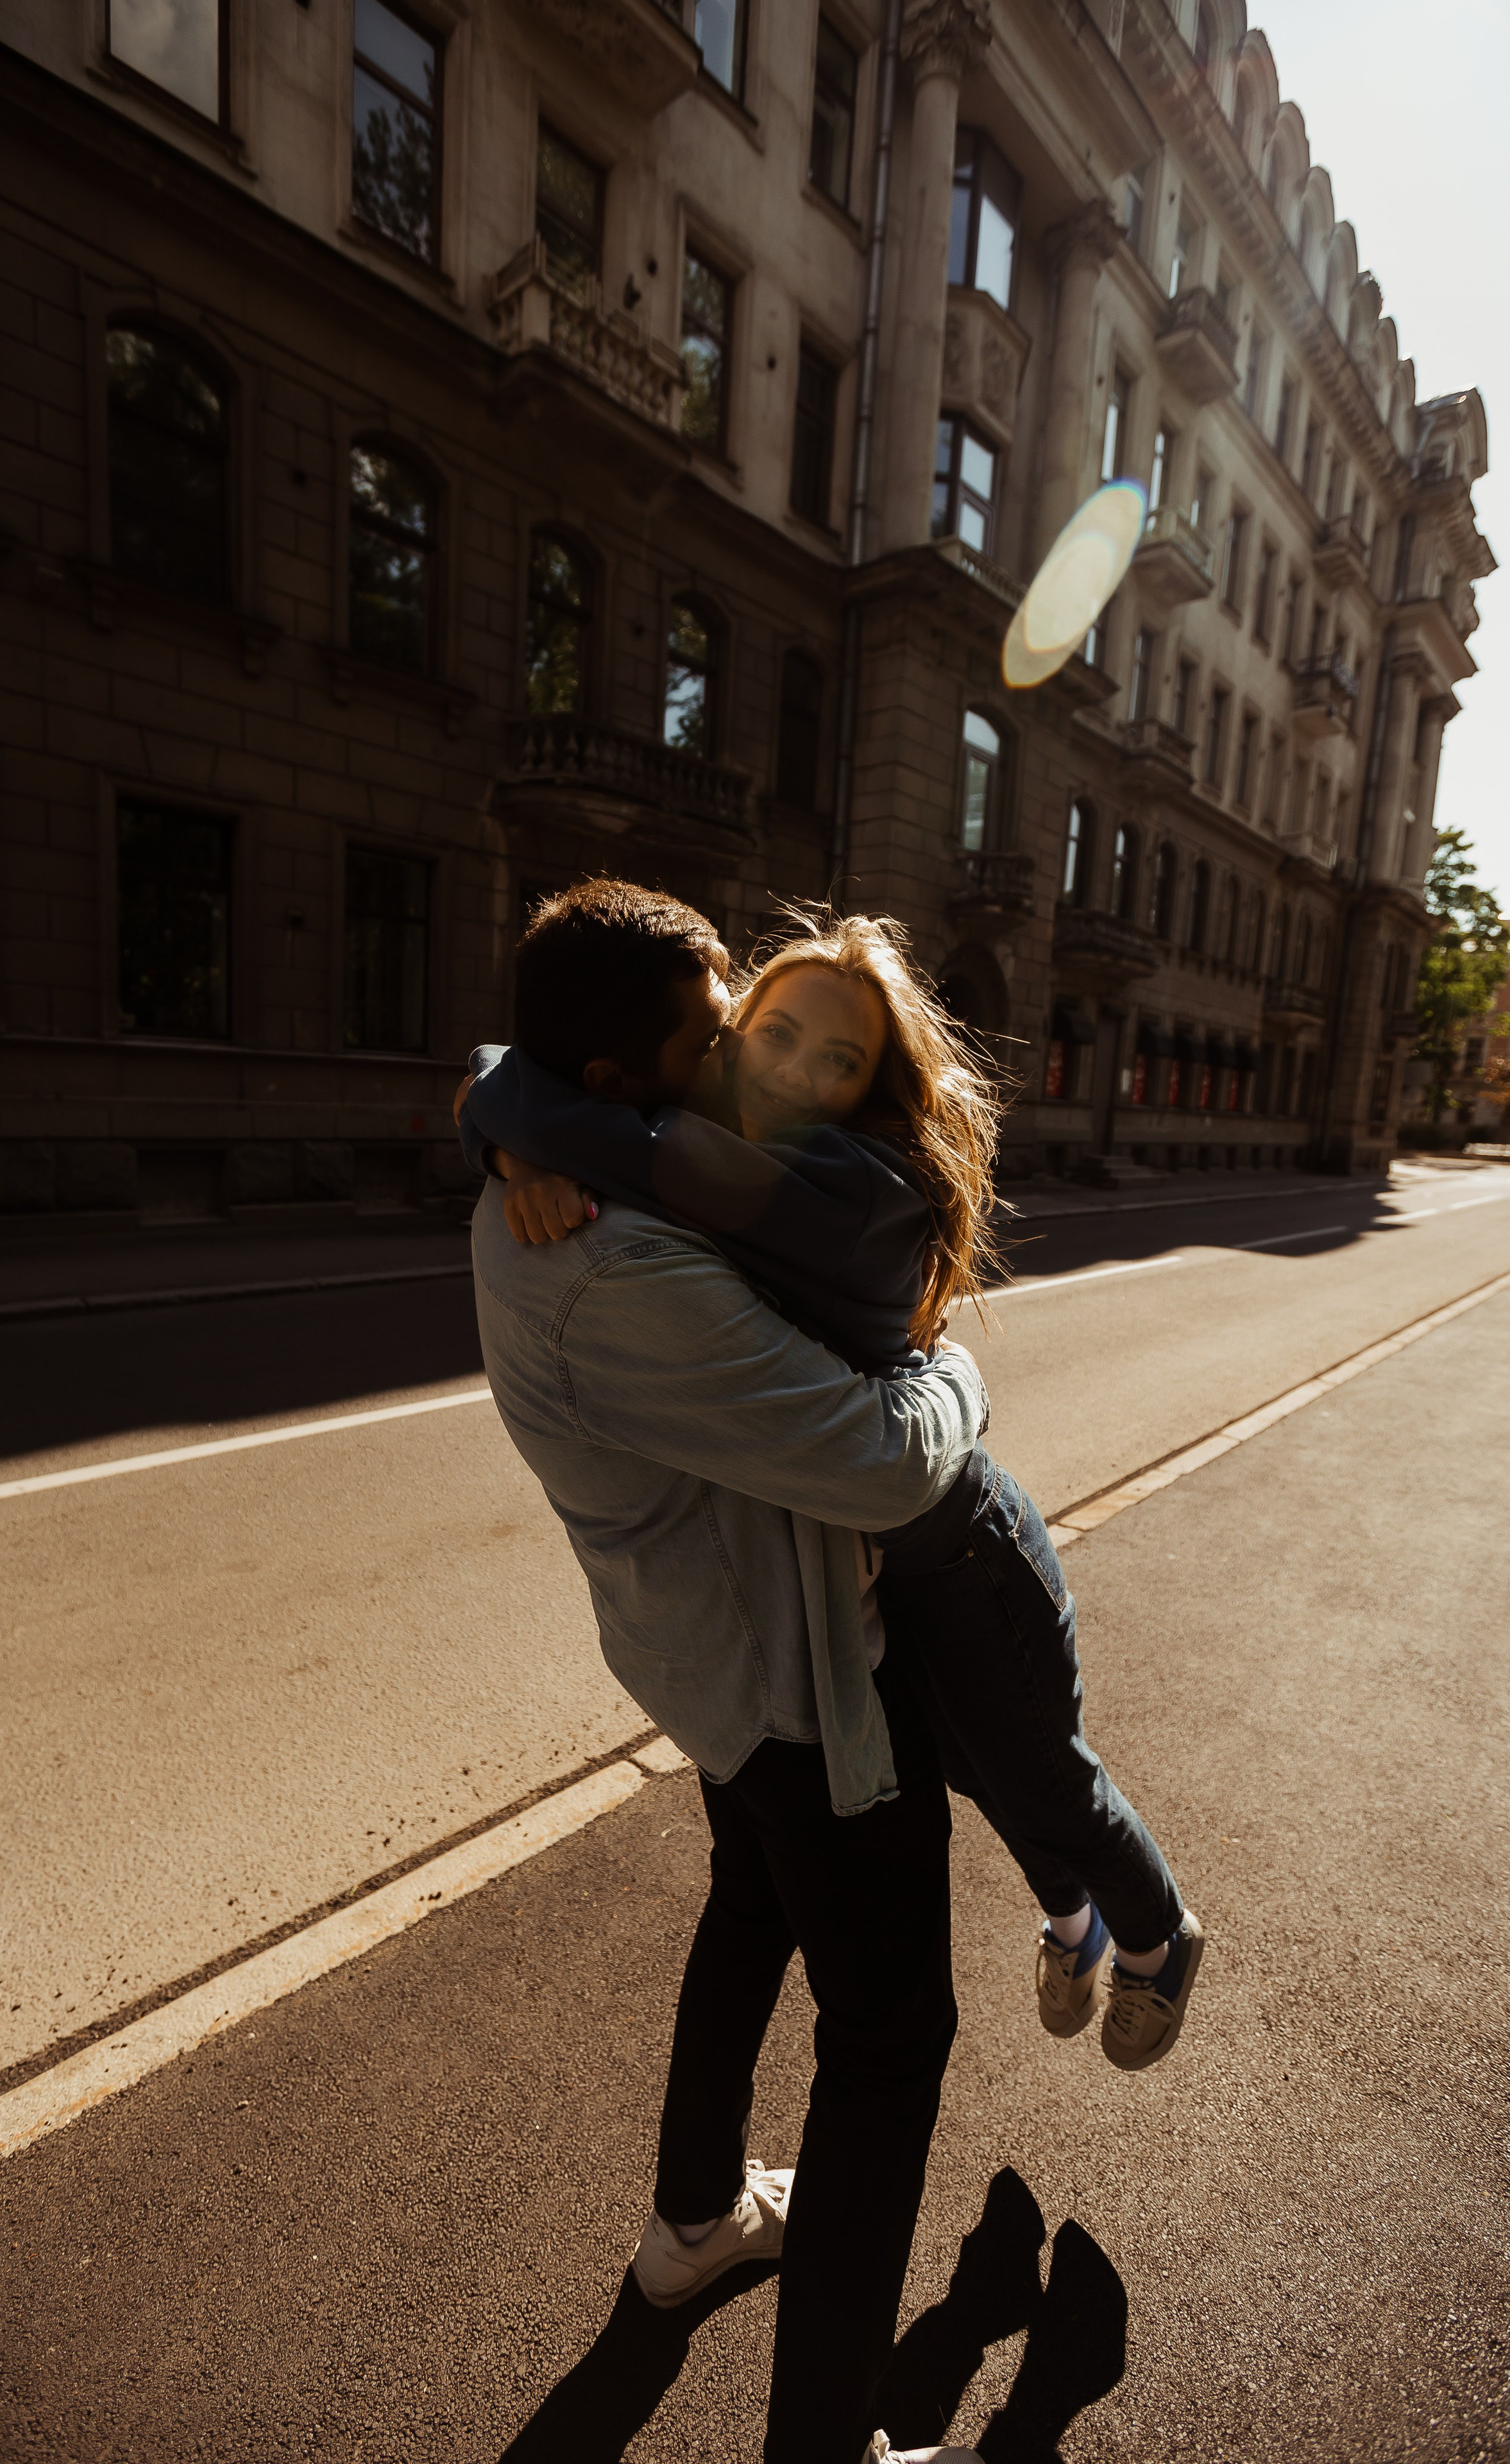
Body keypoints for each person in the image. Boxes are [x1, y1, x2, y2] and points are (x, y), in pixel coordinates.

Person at [461, 905, 1203, 2077]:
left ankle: (1159, 1939)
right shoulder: (701, 1136)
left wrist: (511, 1137)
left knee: (1039, 1775)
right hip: (872, 1552)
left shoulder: (834, 1183)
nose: (796, 1073)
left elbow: (527, 1094)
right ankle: (1075, 1923)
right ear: (731, 1035)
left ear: (870, 1090)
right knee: (973, 1766)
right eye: (775, 1034)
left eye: (841, 1060)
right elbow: (534, 1089)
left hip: (962, 1544)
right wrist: (516, 1148)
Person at [462, 880, 990, 2464]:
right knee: (887, 2049)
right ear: (612, 1075)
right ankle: (820, 2443)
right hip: (800, 1697)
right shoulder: (618, 1264)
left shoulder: (576, 1167)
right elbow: (881, 1458)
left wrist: (507, 1131)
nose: (733, 1059)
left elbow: (506, 1073)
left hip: (709, 1665)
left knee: (749, 1912)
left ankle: (694, 2222)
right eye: (710, 1036)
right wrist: (955, 1368)